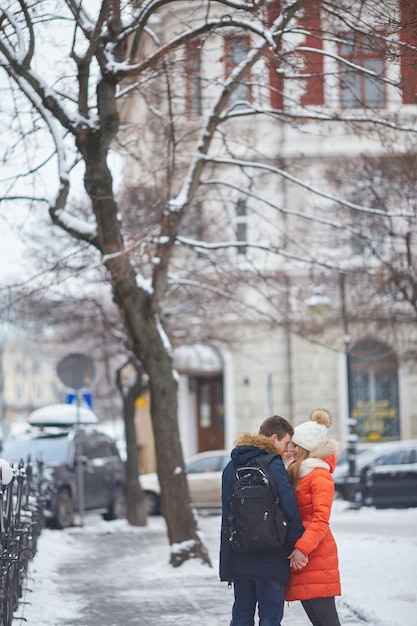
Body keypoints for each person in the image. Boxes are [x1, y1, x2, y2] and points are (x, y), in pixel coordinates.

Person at [220, 415, 306, 626]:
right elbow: (289, 507)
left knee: (241, 616)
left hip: (240, 558)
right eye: (286, 443)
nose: (287, 449)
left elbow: (226, 518)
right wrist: (299, 545)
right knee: (269, 618)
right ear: (274, 437)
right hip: (272, 557)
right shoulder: (273, 464)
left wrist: (226, 567)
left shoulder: (232, 467)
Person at [285, 408, 342, 626]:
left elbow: (320, 520)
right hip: (306, 553)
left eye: (296, 445)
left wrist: (301, 549)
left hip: (315, 554)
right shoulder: (299, 471)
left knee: (327, 621)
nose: (293, 449)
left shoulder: (319, 476)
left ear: (307, 448)